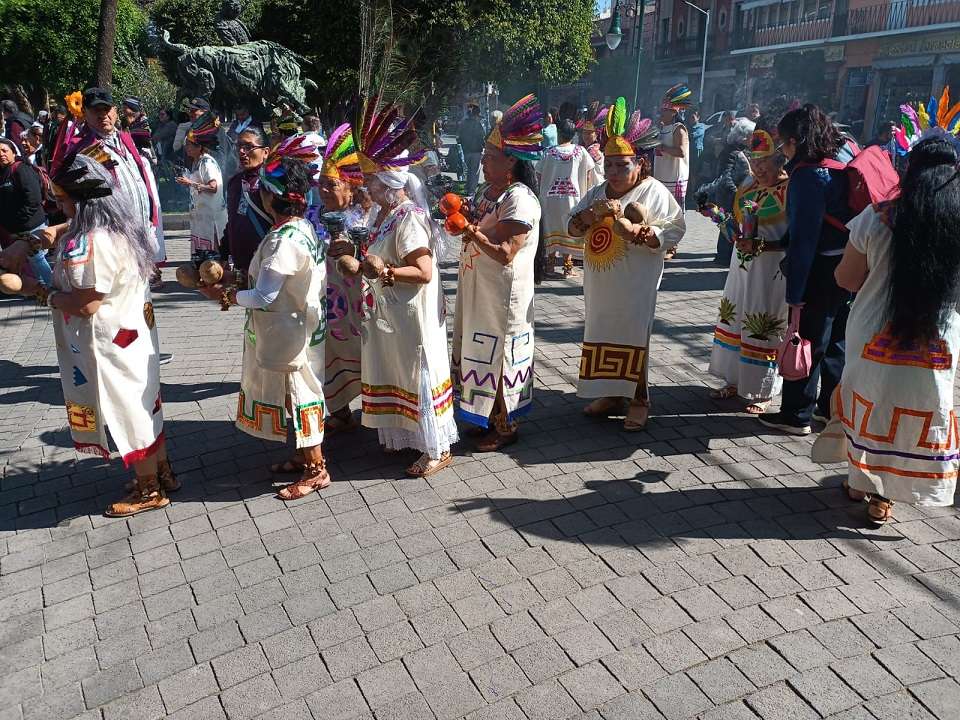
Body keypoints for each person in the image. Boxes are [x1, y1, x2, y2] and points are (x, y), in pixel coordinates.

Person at [9, 149, 176, 516]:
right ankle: (162, 472)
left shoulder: (89, 244)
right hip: (134, 336)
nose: (58, 207)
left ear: (80, 202)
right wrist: (41, 237)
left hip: (110, 343)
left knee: (128, 410)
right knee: (145, 404)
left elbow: (86, 305)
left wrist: (39, 291)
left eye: (62, 200)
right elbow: (68, 229)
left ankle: (149, 489)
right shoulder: (122, 228)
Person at [833, 137, 960, 524]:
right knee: (919, 407)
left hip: (872, 331)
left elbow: (847, 279)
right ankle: (884, 495)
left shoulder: (876, 217)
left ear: (909, 170)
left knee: (869, 400)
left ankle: (861, 482)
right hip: (938, 340)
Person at [198, 137, 331, 500]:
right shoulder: (301, 228)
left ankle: (316, 470)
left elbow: (264, 296)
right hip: (297, 326)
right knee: (293, 394)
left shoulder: (282, 241)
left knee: (300, 396)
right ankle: (302, 456)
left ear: (271, 197)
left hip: (288, 331)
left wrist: (225, 295)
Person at [567, 97, 686, 431]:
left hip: (635, 283)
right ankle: (611, 394)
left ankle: (639, 400)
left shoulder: (653, 191)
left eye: (622, 165)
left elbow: (675, 228)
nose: (614, 173)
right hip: (600, 285)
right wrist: (589, 216)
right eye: (609, 165)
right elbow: (572, 227)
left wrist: (641, 233)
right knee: (601, 330)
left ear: (640, 164)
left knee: (633, 335)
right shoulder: (598, 192)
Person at [353, 101, 458, 475]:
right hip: (392, 313)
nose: (366, 186)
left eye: (371, 180)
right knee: (397, 369)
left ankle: (436, 448)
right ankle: (405, 438)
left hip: (412, 316)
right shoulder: (383, 215)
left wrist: (386, 271)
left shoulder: (408, 217)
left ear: (389, 183)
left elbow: (424, 271)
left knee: (417, 370)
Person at [452, 95, 542, 451]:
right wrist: (461, 213)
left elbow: (505, 253)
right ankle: (486, 416)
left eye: (490, 157)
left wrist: (470, 231)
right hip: (480, 291)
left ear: (511, 162)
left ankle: (507, 427)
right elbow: (477, 220)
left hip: (503, 296)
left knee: (501, 355)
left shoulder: (520, 198)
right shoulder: (487, 191)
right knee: (480, 353)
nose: (484, 162)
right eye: (485, 156)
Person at [758, 104, 852, 435]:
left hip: (819, 268)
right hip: (848, 266)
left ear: (795, 141)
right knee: (837, 340)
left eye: (783, 142)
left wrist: (795, 293)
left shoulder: (807, 176)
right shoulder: (839, 162)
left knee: (806, 340)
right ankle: (830, 410)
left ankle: (796, 414)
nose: (782, 150)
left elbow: (803, 241)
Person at [708, 129, 789, 414]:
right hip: (741, 267)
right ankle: (735, 380)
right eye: (754, 163)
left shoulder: (790, 189)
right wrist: (722, 221)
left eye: (763, 162)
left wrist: (764, 245)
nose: (758, 169)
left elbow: (794, 236)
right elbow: (739, 224)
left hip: (771, 270)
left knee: (763, 323)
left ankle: (764, 391)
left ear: (779, 160)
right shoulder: (748, 187)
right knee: (737, 317)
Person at [308, 123, 370, 431]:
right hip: (327, 302)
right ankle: (340, 411)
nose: (323, 191)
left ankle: (376, 410)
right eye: (320, 184)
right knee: (328, 353)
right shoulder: (312, 215)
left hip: (360, 303)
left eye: (330, 185)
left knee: (366, 354)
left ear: (351, 189)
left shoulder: (366, 217)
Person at [538, 118, 597, 277]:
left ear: (558, 133)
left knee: (551, 228)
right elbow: (589, 173)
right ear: (573, 135)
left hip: (550, 200)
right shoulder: (581, 151)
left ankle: (550, 266)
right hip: (573, 200)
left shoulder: (548, 152)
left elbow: (539, 174)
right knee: (570, 229)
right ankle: (567, 268)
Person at [698, 117, 755, 266]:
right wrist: (737, 193)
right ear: (744, 136)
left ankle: (726, 255)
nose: (753, 139)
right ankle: (724, 257)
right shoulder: (731, 152)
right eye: (751, 135)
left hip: (734, 195)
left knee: (730, 224)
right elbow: (725, 177)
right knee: (728, 224)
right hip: (729, 196)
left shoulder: (738, 150)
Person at [176, 112, 227, 256]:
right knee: (203, 256)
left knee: (214, 256)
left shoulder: (207, 162)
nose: (186, 148)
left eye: (189, 145)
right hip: (202, 217)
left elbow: (213, 187)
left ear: (199, 147)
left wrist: (190, 183)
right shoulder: (197, 162)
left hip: (211, 217)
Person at [222, 125, 271, 274]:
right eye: (239, 146)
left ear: (265, 152)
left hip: (267, 264)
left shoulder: (272, 184)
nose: (242, 152)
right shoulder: (235, 183)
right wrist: (223, 253)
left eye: (249, 147)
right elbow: (232, 221)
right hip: (241, 267)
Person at [654, 84, 691, 259]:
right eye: (661, 110)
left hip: (674, 177)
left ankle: (673, 246)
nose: (661, 113)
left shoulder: (679, 129)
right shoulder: (661, 128)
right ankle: (663, 241)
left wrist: (662, 147)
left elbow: (681, 152)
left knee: (674, 212)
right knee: (661, 210)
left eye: (665, 110)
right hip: (661, 175)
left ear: (674, 112)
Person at [0, 137, 45, 244]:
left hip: (31, 229)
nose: (1, 154)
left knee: (36, 255)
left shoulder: (21, 168)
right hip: (12, 231)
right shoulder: (2, 172)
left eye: (4, 151)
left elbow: (34, 199)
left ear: (14, 153)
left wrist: (16, 219)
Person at [458, 104, 486, 195]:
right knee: (474, 172)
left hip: (466, 151)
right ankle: (471, 191)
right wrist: (484, 146)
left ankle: (468, 188)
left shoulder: (463, 123)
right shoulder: (478, 124)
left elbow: (459, 137)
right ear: (476, 115)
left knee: (468, 171)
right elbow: (482, 137)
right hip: (476, 151)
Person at [686, 109, 707, 190]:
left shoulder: (701, 126)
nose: (691, 119)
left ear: (698, 117)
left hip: (697, 152)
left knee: (695, 172)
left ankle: (695, 189)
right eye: (690, 117)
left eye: (693, 117)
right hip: (688, 151)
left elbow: (693, 136)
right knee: (689, 171)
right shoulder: (688, 127)